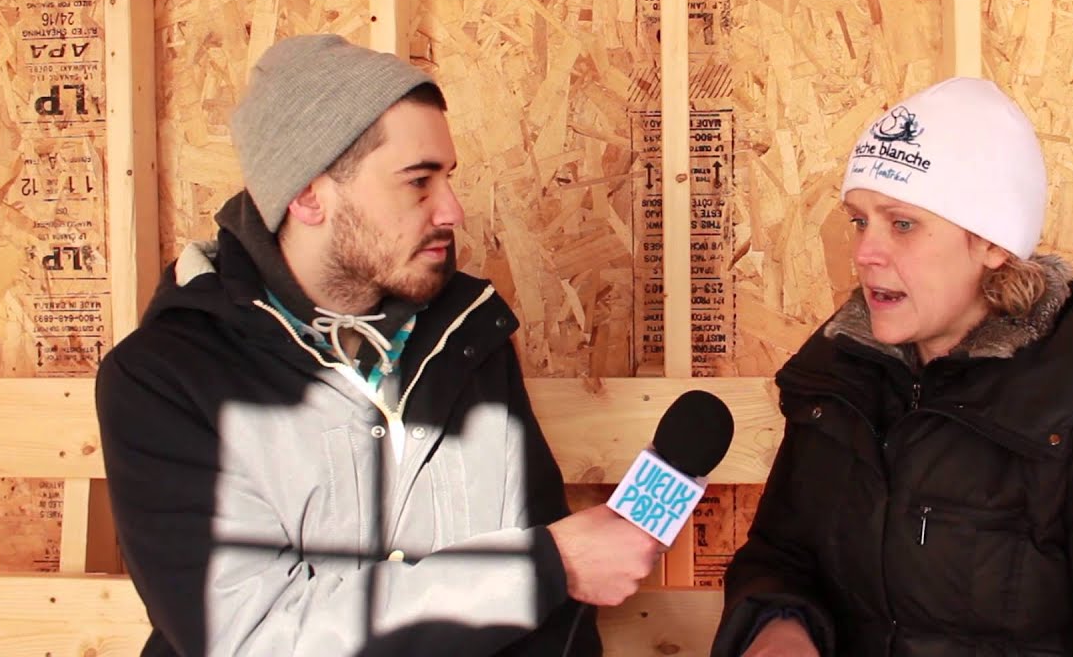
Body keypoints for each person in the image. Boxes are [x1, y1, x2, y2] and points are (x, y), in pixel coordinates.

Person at [95, 34, 662, 657]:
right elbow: (254, 639)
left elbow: (554, 627)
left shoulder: (468, 335)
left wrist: (551, 573)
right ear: (309, 195)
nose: (453, 211)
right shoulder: (165, 379)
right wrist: (540, 570)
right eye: (419, 182)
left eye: (448, 178)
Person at [712, 77, 1073, 657]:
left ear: (992, 244)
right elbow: (780, 556)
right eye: (860, 221)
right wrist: (779, 629)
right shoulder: (838, 386)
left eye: (903, 224)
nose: (865, 251)